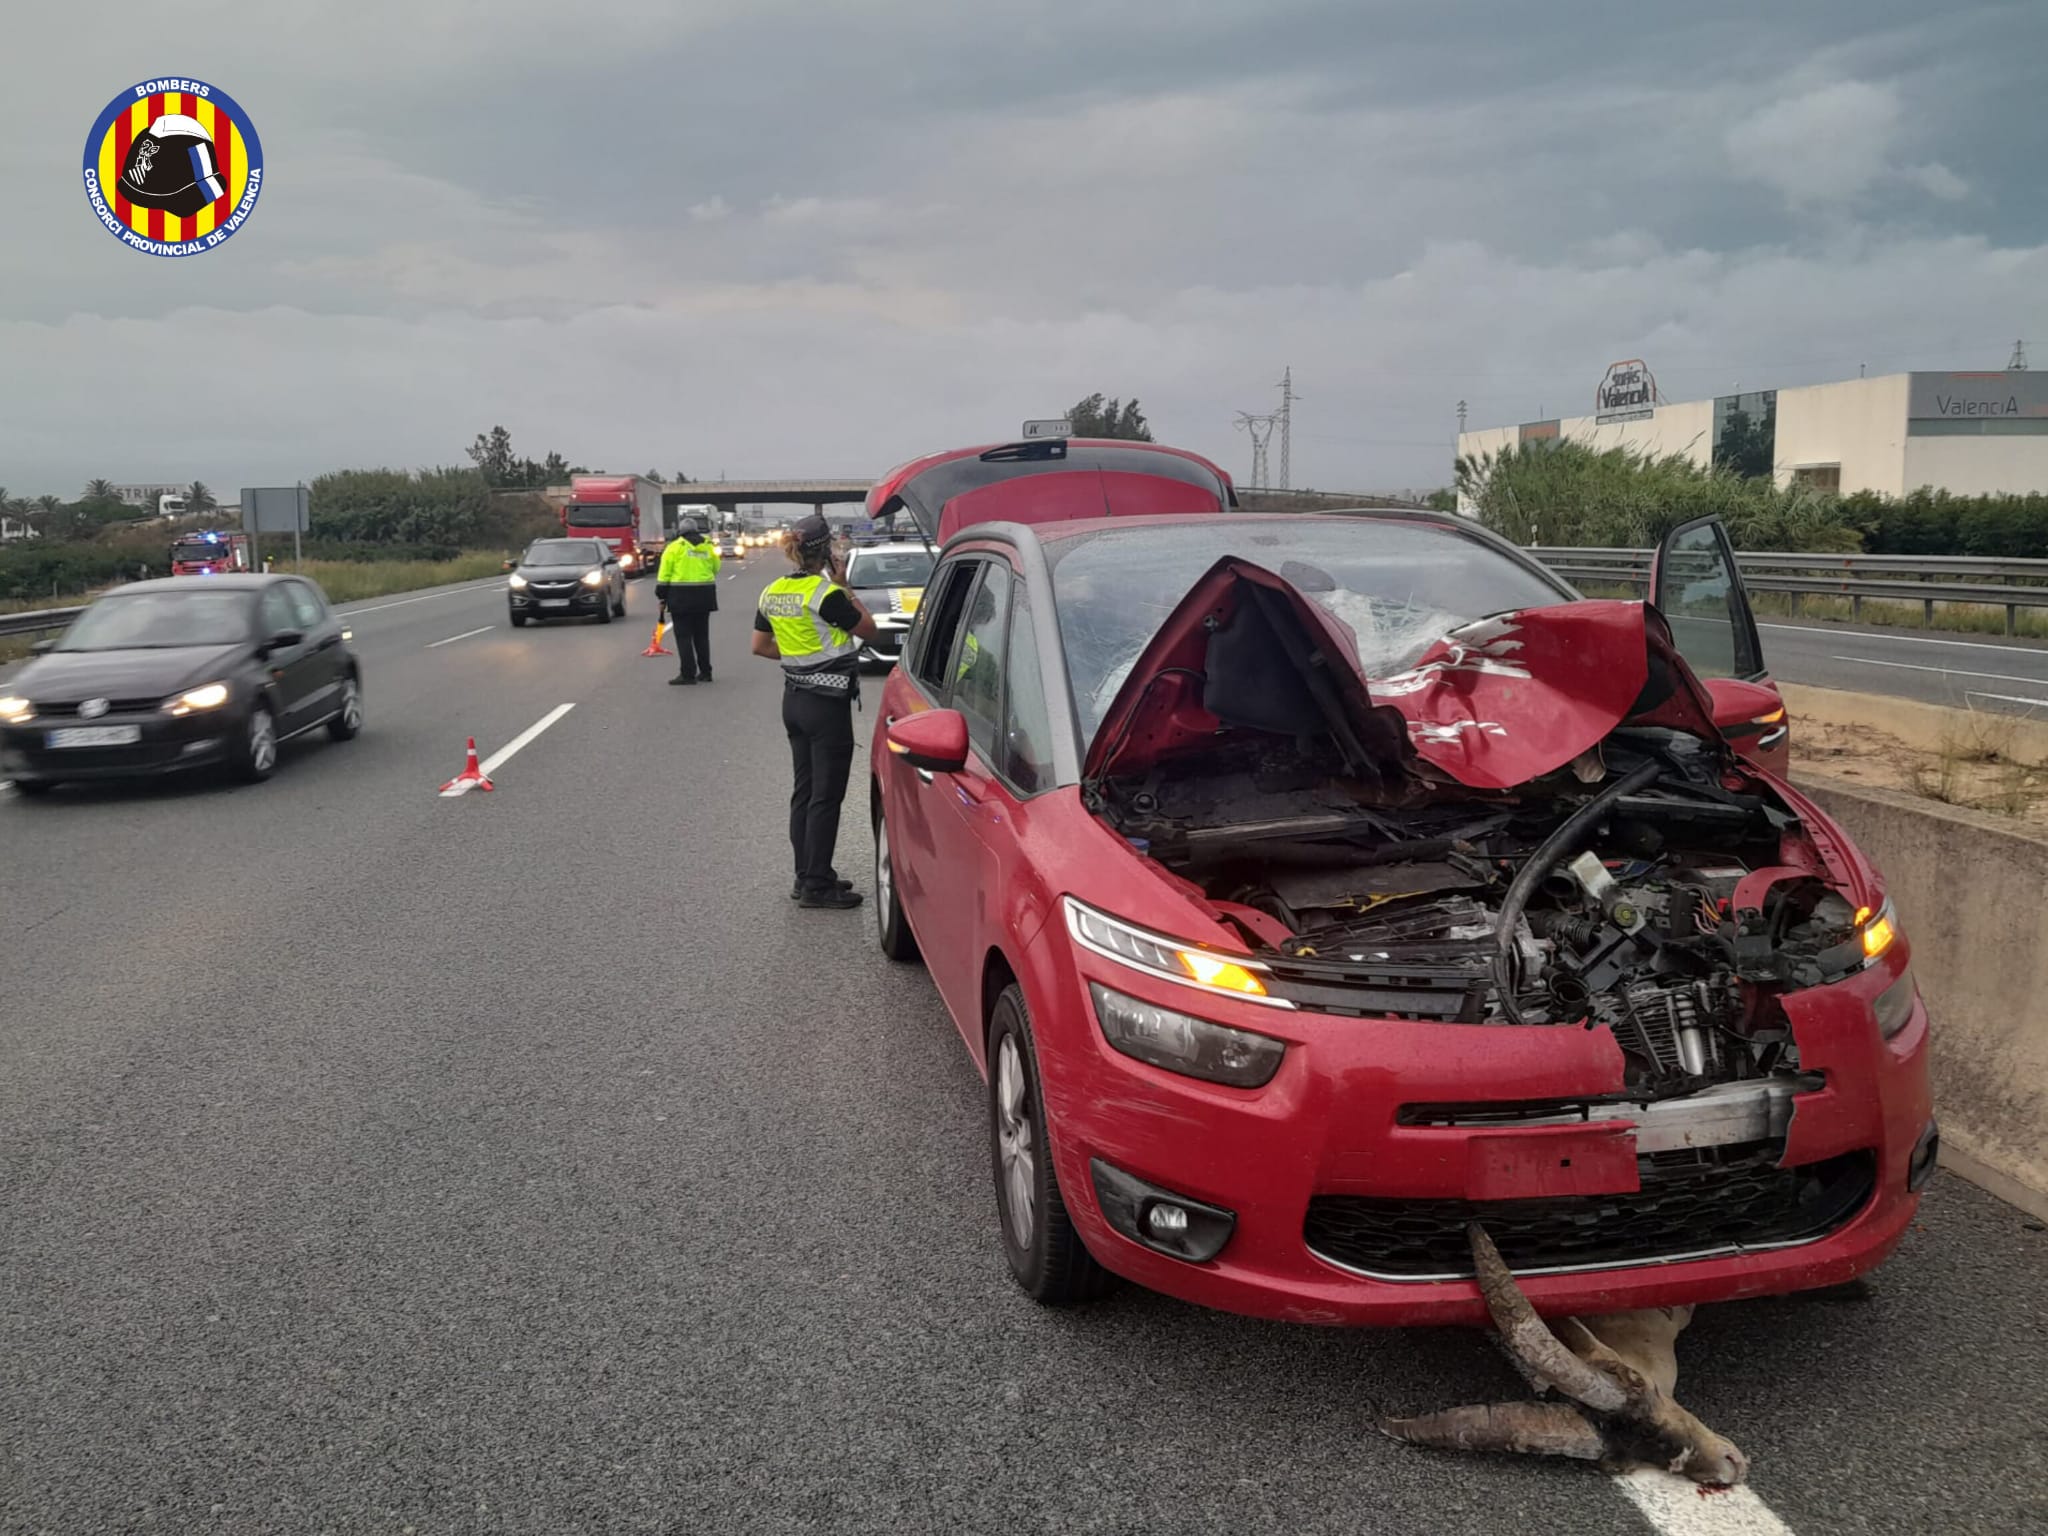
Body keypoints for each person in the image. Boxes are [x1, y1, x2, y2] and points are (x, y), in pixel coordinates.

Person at [753, 513, 879, 909]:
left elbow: (760, 646)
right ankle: (817, 886)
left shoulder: (772, 591)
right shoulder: (827, 595)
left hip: (794, 700)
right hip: (826, 704)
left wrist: (797, 660)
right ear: (826, 552)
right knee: (827, 796)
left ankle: (806, 873)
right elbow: (869, 630)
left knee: (804, 792)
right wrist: (846, 587)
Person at [656, 515, 722, 684]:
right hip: (705, 594)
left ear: (680, 531)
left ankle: (688, 674)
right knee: (702, 635)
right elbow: (716, 567)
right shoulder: (708, 546)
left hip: (681, 595)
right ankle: (706, 672)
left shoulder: (674, 547)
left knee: (684, 636)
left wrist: (661, 595)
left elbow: (664, 575)